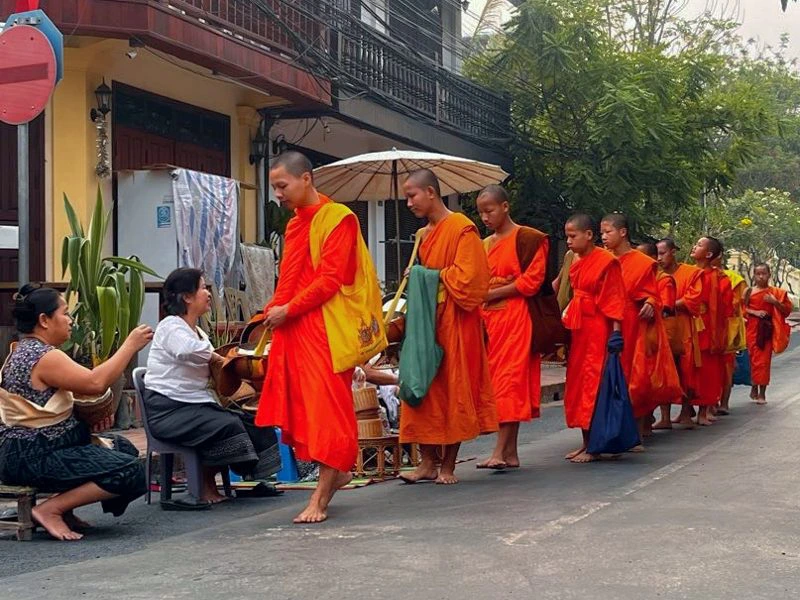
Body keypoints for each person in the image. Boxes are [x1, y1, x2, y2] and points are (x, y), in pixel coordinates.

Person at [255, 151, 386, 523]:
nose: (278, 194)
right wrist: (273, 310)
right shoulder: (297, 224)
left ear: (306, 179)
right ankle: (336, 473)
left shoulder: (339, 219)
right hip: (296, 328)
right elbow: (291, 276)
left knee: (329, 411)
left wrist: (288, 309)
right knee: (304, 408)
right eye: (275, 187)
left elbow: (331, 279)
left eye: (282, 185)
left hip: (326, 330)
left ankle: (320, 500)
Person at [0, 285, 152, 540]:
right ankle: (51, 509)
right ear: (44, 320)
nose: (70, 321)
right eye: (65, 313)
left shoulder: (24, 350)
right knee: (129, 470)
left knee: (122, 447)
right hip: (33, 455)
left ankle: (66, 508)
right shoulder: (43, 356)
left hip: (27, 450)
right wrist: (130, 345)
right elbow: (95, 383)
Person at [144, 268, 282, 506]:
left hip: (196, 406)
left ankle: (253, 478)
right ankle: (204, 487)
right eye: (202, 288)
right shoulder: (170, 326)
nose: (208, 293)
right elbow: (186, 350)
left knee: (254, 419)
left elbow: (209, 360)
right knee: (227, 425)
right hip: (169, 410)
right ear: (187, 297)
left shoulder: (199, 333)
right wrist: (221, 358)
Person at [399, 168, 497, 484]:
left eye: (412, 195)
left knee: (453, 386)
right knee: (423, 385)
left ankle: (448, 466)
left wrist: (429, 276)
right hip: (426, 320)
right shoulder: (423, 234)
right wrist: (414, 274)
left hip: (455, 319)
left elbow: (471, 279)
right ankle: (427, 462)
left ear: (430, 192)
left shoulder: (461, 228)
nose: (409, 203)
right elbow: (427, 271)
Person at [476, 185, 549, 470]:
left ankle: (499, 451)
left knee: (509, 382)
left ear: (505, 206)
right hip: (489, 320)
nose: (485, 217)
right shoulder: (484, 244)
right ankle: (511, 453)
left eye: (490, 210)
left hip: (516, 317)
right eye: (481, 212)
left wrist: (493, 293)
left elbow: (532, 282)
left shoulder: (528, 239)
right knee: (500, 382)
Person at [600, 215, 680, 445]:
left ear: (623, 232)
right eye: (601, 232)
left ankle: (634, 430)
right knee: (606, 377)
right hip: (605, 324)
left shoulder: (642, 263)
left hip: (632, 325)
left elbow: (653, 294)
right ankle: (608, 432)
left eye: (608, 232)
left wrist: (650, 303)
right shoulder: (601, 259)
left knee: (633, 377)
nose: (603, 237)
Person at [561, 214, 625, 463]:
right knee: (577, 384)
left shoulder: (606, 261)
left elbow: (615, 298)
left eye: (572, 236)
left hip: (598, 329)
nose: (568, 241)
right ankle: (586, 441)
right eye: (566, 236)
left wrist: (616, 334)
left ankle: (595, 446)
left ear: (588, 235)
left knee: (593, 384)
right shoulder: (574, 260)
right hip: (579, 328)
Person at [657, 238, 704, 428]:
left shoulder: (691, 273)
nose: (659, 258)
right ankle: (665, 417)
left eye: (663, 253)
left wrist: (666, 304)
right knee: (663, 373)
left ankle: (686, 412)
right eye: (657, 254)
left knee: (686, 371)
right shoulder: (655, 275)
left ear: (673, 252)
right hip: (661, 329)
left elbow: (694, 298)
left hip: (684, 329)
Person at [688, 237, 732, 426]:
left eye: (698, 245)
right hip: (689, 325)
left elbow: (726, 307)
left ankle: (704, 410)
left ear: (708, 254)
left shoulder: (718, 278)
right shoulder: (687, 272)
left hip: (707, 328)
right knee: (688, 369)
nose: (693, 246)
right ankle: (685, 410)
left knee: (707, 370)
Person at [638, 242, 680, 430]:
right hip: (638, 334)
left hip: (656, 334)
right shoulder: (639, 277)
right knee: (642, 378)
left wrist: (650, 304)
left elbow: (666, 307)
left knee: (657, 377)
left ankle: (661, 417)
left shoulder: (664, 280)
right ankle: (644, 419)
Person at [744, 264, 793, 404]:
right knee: (752, 361)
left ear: (769, 274)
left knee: (764, 362)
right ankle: (754, 385)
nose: (761, 277)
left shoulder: (776, 293)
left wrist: (775, 302)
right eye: (758, 274)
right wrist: (755, 312)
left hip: (767, 331)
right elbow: (741, 309)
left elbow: (786, 311)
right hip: (752, 330)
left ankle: (762, 393)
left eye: (763, 273)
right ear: (754, 275)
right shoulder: (749, 291)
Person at [719, 261, 747, 415]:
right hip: (704, 325)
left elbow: (740, 304)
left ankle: (724, 403)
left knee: (727, 368)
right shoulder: (696, 273)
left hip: (728, 326)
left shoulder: (733, 279)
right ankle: (707, 404)